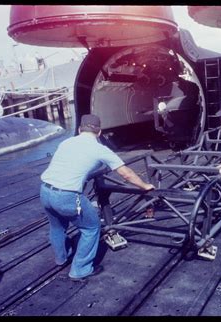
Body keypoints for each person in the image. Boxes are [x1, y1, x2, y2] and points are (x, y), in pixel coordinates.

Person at [40, 114, 155, 281]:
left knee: (57, 227)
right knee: (91, 228)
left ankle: (61, 259)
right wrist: (145, 186)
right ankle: (80, 270)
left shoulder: (66, 142)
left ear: (80, 129)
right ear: (99, 132)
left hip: (45, 191)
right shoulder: (100, 149)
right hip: (67, 195)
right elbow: (126, 174)